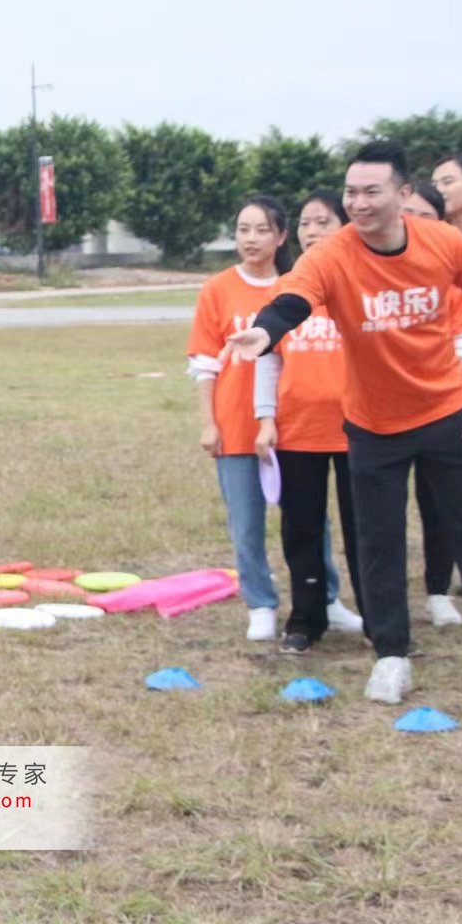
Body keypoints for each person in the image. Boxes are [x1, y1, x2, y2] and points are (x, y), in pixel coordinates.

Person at [225, 140, 462, 704]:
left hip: (446, 414)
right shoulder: (333, 255)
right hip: (373, 425)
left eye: (371, 191)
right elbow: (293, 299)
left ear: (403, 193)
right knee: (379, 541)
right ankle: (391, 655)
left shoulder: (441, 241)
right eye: (350, 192)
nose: (358, 202)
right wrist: (265, 331)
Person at [252, 191, 366, 653]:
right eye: (305, 223)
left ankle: (379, 617)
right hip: (299, 431)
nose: (313, 231)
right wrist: (266, 419)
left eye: (324, 221)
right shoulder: (288, 290)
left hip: (360, 430)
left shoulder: (362, 284)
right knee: (301, 529)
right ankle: (306, 619)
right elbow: (268, 360)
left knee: (366, 530)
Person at [188, 197, 292, 642]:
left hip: (293, 424)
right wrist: (209, 423)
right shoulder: (218, 289)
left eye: (262, 229)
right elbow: (204, 362)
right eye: (243, 229)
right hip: (235, 422)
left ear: (281, 236)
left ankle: (324, 596)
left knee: (307, 520)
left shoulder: (296, 287)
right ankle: (260, 603)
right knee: (246, 523)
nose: (251, 239)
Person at [400, 179, 462, 627]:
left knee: (439, 505)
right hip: (386, 416)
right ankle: (387, 601)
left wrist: (455, 409)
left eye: (425, 216)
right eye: (407, 215)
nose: (414, 225)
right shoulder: (374, 273)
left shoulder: (449, 277)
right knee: (384, 515)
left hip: (439, 412)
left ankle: (438, 590)